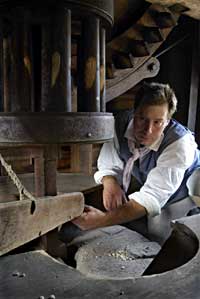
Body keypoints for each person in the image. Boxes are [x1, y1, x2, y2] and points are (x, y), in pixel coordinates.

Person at [72, 82, 200, 243]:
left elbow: (152, 195)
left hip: (185, 191)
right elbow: (109, 161)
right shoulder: (119, 124)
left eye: (157, 122)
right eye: (142, 118)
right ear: (134, 111)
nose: (147, 130)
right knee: (149, 229)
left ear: (167, 121)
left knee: (164, 237)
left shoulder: (179, 143)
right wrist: (110, 182)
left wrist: (100, 220)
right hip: (155, 185)